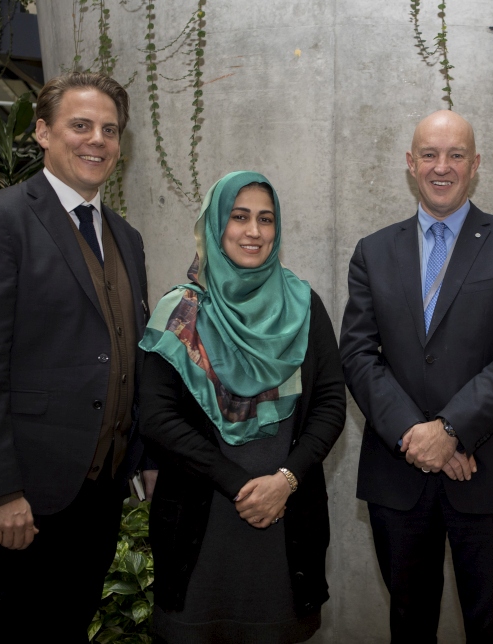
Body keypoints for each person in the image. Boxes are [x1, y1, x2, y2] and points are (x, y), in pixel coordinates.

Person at [0, 72, 150, 643]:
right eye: (80, 125)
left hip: (98, 494)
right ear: (42, 132)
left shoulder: (126, 238)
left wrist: (144, 454)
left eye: (110, 130)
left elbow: (129, 355)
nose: (97, 140)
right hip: (23, 496)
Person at [340, 110, 493, 642]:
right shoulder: (373, 251)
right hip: (401, 473)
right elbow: (359, 354)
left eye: (456, 155)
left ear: (475, 164)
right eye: (429, 155)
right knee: (409, 626)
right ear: (410, 164)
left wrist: (451, 429)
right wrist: (420, 437)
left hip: (490, 473)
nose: (442, 167)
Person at [139, 171, 346, 643]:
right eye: (239, 217)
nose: (254, 231)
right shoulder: (179, 311)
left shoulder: (305, 305)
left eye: (266, 219)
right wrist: (240, 486)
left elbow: (331, 403)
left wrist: (285, 481)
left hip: (286, 521)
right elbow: (157, 419)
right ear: (215, 224)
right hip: (202, 519)